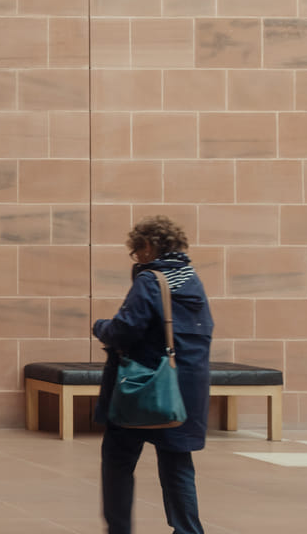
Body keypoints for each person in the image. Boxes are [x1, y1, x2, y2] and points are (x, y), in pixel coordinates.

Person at [93, 215, 213, 534]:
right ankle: (188, 531)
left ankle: (119, 529)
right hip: (184, 391)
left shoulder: (152, 279)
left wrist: (100, 327)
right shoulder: (191, 279)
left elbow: (125, 330)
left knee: (118, 459)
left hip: (144, 388)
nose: (136, 258)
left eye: (136, 251)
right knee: (176, 463)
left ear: (147, 246)